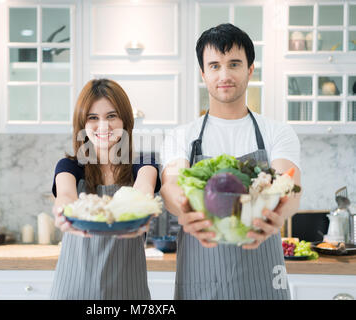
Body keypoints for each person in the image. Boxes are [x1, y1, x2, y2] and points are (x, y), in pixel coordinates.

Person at [160, 23, 302, 300]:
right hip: (199, 283)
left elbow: (289, 185)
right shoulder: (182, 135)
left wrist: (278, 215)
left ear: (250, 70)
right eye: (214, 65)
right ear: (203, 73)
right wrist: (185, 210)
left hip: (263, 282)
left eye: (234, 63)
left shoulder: (277, 132)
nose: (224, 75)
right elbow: (171, 185)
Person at [49, 78, 161, 300]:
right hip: (73, 290)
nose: (103, 126)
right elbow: (65, 195)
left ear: (125, 121)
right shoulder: (70, 167)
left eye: (112, 116)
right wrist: (62, 212)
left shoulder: (145, 163)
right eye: (93, 118)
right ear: (82, 124)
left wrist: (141, 208)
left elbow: (143, 189)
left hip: (128, 292)